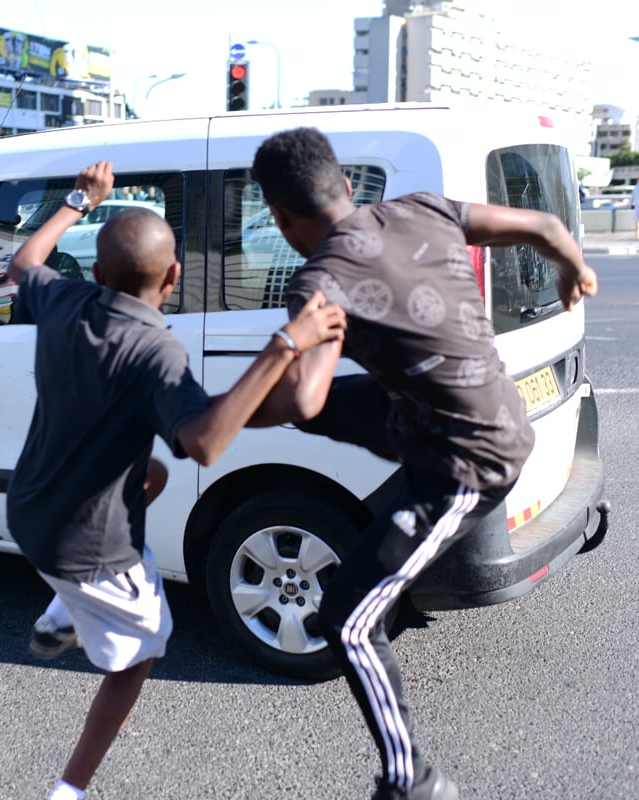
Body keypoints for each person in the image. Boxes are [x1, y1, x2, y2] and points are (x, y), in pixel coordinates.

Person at [247, 127, 598, 800]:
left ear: (280, 217)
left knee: (346, 619)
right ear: (347, 186)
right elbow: (546, 225)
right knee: (353, 402)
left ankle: (413, 781)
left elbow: (303, 395)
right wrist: (572, 271)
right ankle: (395, 484)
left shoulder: (320, 281)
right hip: (449, 416)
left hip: (468, 466)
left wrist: (222, 415)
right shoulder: (424, 209)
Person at [5, 160, 347, 800]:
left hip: (27, 508)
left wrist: (81, 200)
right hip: (87, 548)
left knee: (151, 473)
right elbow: (206, 443)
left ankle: (62, 611)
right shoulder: (157, 349)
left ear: (99, 274)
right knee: (143, 653)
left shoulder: (64, 300)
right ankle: (69, 790)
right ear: (173, 276)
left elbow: (23, 262)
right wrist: (284, 344)